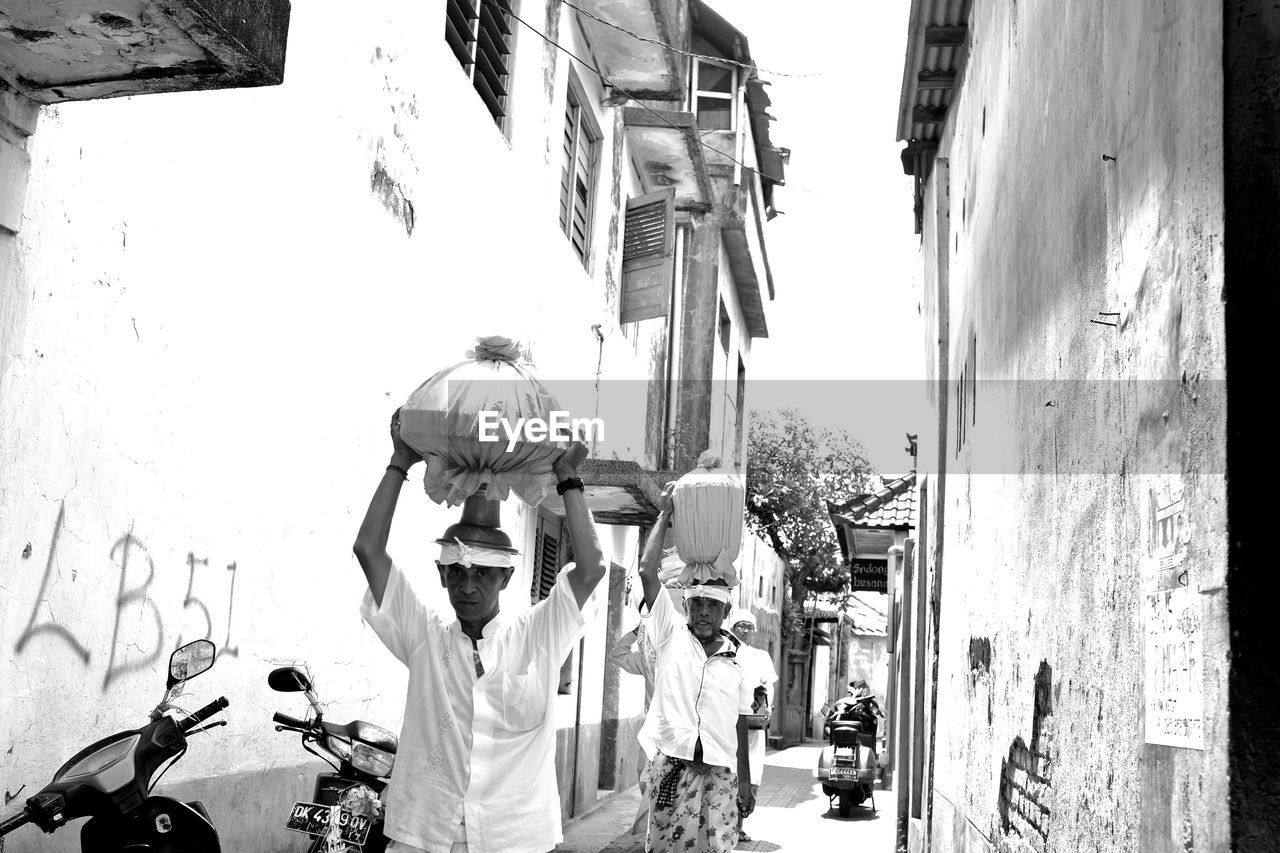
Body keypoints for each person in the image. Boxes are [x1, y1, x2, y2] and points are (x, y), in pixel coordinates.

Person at [352, 409, 606, 853]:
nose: (467, 586)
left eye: (483, 575)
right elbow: (367, 548)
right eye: (456, 572)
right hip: (427, 833)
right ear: (442, 574)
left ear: (506, 578)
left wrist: (568, 479)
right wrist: (399, 462)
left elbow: (592, 568)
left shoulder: (538, 634)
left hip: (515, 837)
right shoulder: (424, 636)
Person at [635, 485, 754, 853]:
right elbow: (646, 571)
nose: (703, 611)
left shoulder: (738, 659)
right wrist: (666, 513)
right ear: (686, 605)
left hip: (719, 775)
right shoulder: (671, 634)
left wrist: (745, 782)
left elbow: (739, 720)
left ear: (726, 613)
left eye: (712, 605)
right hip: (672, 767)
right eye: (697, 602)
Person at [727, 608, 778, 842]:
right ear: (732, 627)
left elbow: (769, 686)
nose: (745, 630)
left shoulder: (760, 656)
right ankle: (725, 827)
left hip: (754, 725)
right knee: (728, 771)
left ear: (755, 632)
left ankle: (738, 825)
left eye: (749, 627)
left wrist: (769, 708)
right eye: (741, 626)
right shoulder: (725, 649)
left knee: (750, 773)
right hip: (728, 722)